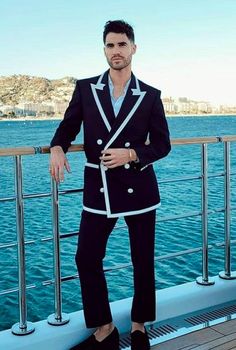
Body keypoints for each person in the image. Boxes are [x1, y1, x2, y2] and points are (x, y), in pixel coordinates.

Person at [50, 19, 171, 350]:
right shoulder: (87, 88)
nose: (116, 51)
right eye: (110, 45)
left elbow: (162, 144)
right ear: (104, 49)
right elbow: (68, 125)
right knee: (86, 258)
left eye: (121, 44)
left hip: (139, 189)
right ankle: (104, 329)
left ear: (133, 48)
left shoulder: (149, 95)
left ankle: (138, 327)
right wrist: (57, 146)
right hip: (99, 190)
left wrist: (131, 153)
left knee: (142, 260)